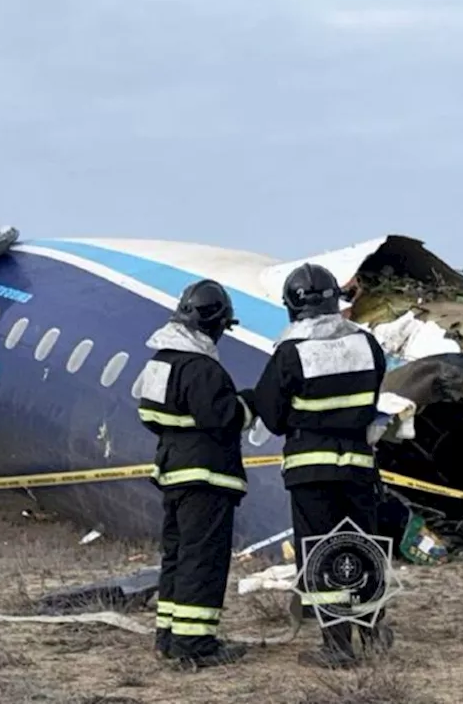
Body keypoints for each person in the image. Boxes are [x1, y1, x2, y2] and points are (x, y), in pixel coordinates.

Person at [251, 262, 393, 669]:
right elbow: (372, 398)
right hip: (359, 467)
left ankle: (337, 645)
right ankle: (373, 629)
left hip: (311, 470)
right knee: (363, 546)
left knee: (322, 552)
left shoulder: (290, 352)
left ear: (292, 307)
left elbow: (272, 415)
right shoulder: (366, 345)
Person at [137, 279, 253, 669]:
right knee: (203, 558)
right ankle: (195, 644)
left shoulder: (160, 362)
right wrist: (249, 404)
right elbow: (223, 419)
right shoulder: (202, 368)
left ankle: (169, 637)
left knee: (178, 555)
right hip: (206, 478)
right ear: (216, 323)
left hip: (172, 472)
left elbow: (148, 416)